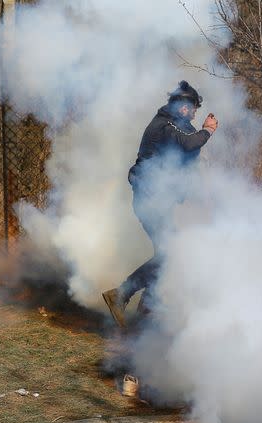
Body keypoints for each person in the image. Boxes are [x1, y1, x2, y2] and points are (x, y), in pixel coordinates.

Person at [102, 80, 218, 327]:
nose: (195, 114)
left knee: (168, 255)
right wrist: (207, 130)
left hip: (156, 199)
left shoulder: (172, 124)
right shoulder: (163, 127)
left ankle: (144, 311)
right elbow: (189, 143)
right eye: (193, 109)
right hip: (149, 199)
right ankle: (121, 295)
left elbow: (187, 149)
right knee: (169, 254)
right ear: (184, 107)